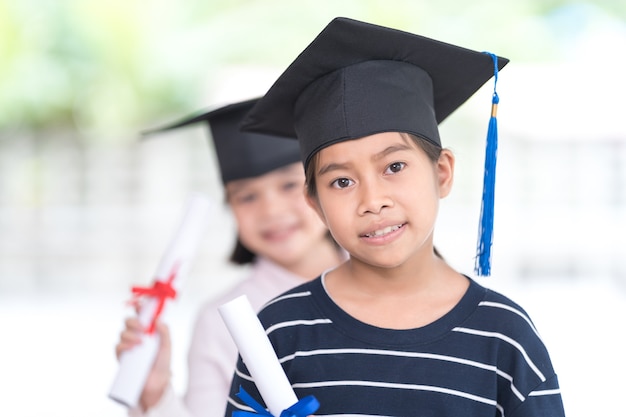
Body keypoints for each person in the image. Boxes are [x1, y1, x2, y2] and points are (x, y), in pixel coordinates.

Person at [225, 18, 566, 416]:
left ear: (442, 172)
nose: (373, 201)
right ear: (314, 202)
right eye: (341, 182)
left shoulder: (504, 335)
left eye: (394, 168)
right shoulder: (280, 330)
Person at [115, 98, 346, 417]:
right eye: (247, 196)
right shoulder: (219, 323)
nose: (271, 211)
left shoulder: (389, 277)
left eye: (289, 184)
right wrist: (156, 394)